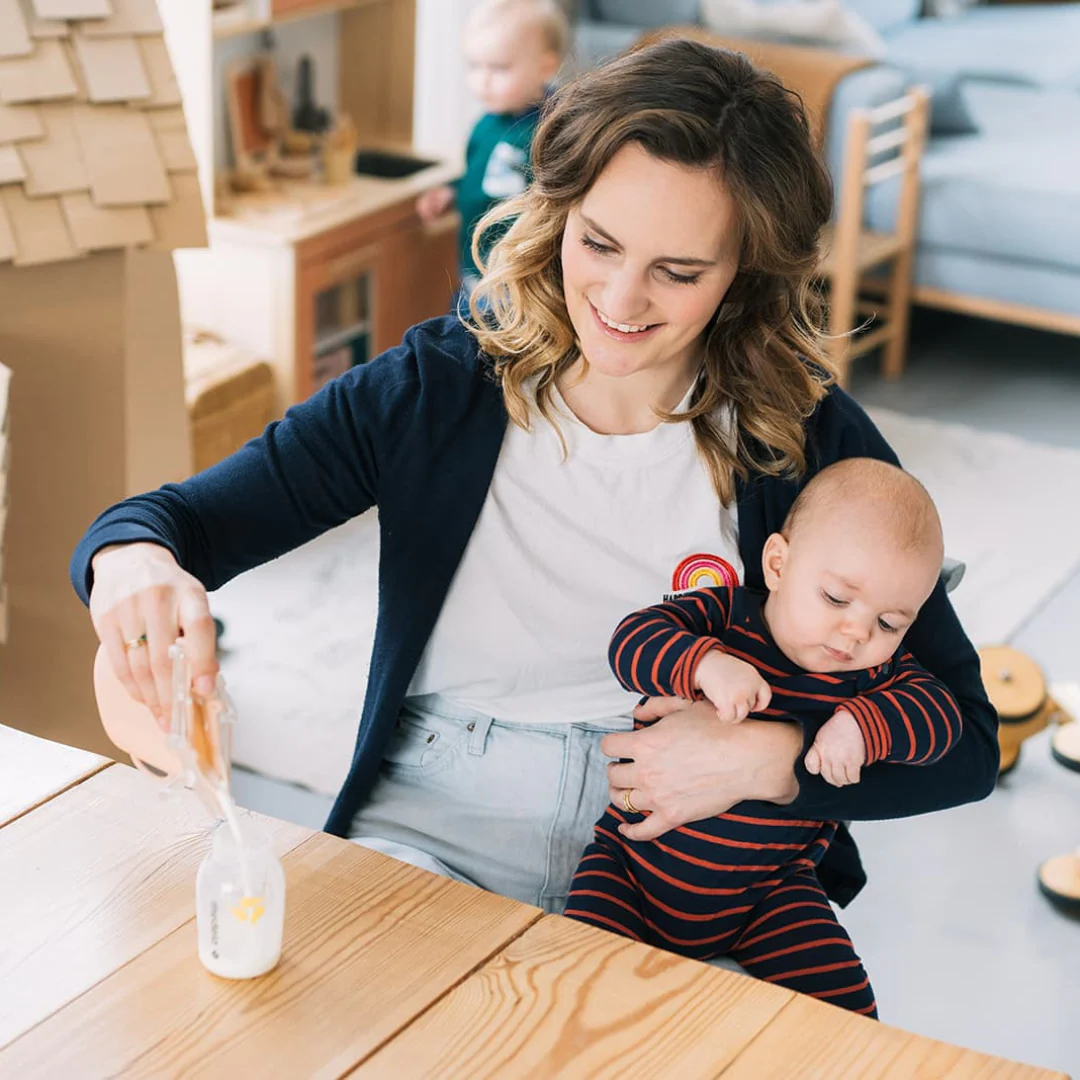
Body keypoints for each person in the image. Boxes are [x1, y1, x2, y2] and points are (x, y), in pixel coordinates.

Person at [71, 40, 998, 934]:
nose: (621, 301)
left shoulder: (807, 437)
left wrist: (778, 759)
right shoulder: (437, 388)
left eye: (677, 273)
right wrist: (131, 562)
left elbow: (968, 744)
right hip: (437, 823)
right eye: (598, 244)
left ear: (743, 277)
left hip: (696, 859)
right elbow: (168, 522)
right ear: (560, 211)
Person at [564, 458, 962, 1016]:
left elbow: (943, 720)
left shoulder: (874, 676)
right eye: (836, 598)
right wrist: (703, 664)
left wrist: (862, 726)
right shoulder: (725, 617)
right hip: (630, 871)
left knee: (850, 1016)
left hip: (771, 896)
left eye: (890, 624)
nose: (857, 633)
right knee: (574, 985)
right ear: (778, 564)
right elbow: (632, 641)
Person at [415, 0, 568, 298]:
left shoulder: (553, 129)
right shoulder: (486, 125)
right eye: (474, 66)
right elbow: (480, 178)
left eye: (499, 68)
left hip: (521, 279)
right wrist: (451, 192)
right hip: (476, 270)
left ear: (545, 67)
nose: (482, 81)